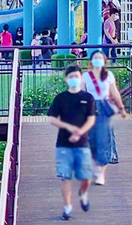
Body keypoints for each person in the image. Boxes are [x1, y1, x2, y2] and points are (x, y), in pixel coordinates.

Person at [47, 64, 97, 220]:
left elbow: (91, 119)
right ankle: (67, 207)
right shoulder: (60, 98)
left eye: (76, 76)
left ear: (81, 78)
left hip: (82, 143)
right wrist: (68, 127)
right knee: (65, 177)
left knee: (86, 177)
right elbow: (52, 118)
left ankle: (83, 193)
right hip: (63, 144)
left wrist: (79, 132)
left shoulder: (88, 98)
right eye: (71, 77)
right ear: (66, 79)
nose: (74, 79)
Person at [83, 51, 127, 186]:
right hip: (90, 107)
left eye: (100, 58)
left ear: (104, 61)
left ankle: (101, 172)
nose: (97, 60)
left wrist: (121, 108)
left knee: (104, 138)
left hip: (104, 107)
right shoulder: (85, 76)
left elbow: (114, 93)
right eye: (95, 58)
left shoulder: (108, 76)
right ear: (91, 61)